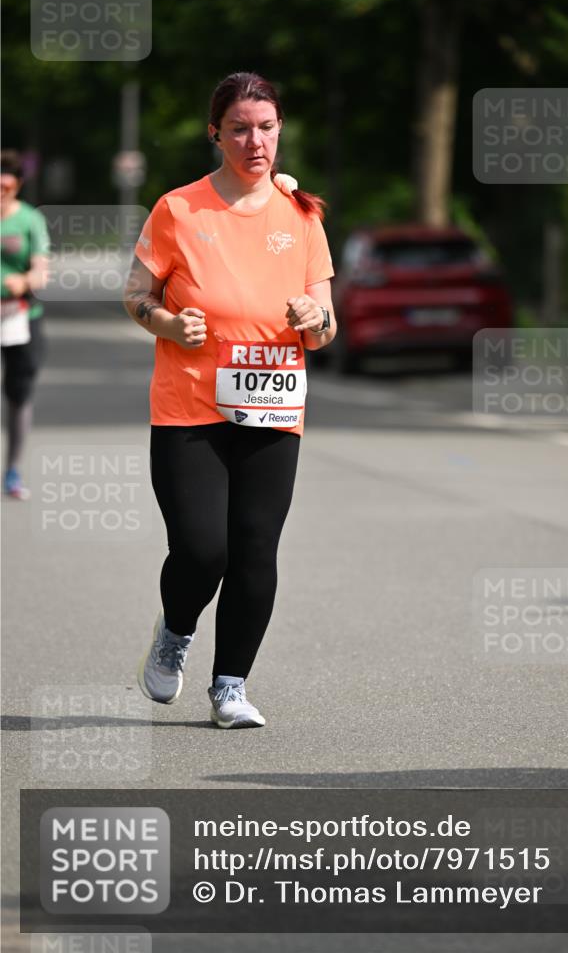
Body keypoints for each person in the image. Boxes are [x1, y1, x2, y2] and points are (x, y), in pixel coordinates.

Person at [125, 72, 336, 729]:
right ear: (214, 132)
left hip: (273, 407)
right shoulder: (178, 209)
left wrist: (312, 317)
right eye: (240, 128)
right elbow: (138, 295)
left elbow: (326, 329)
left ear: (280, 131)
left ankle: (230, 686)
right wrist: (166, 323)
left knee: (253, 548)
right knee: (201, 548)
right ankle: (175, 630)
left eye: (267, 127)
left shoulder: (301, 216)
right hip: (189, 406)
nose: (255, 141)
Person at [1, 150, 50, 500]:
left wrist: (26, 280)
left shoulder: (29, 220)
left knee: (19, 395)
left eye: (7, 181)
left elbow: (41, 270)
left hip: (20, 318)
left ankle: (13, 471)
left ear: (17, 185)